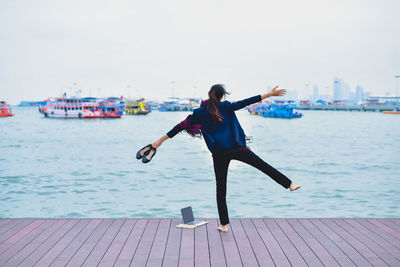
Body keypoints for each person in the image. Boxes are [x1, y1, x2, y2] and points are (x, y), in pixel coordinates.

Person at [151, 84, 301, 232]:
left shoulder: (199, 113)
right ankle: (290, 184)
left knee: (221, 189)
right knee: (263, 165)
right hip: (237, 148)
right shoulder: (226, 106)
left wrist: (159, 141)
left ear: (209, 93)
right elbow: (247, 101)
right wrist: (269, 94)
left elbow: (179, 127)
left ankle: (224, 225)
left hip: (219, 153)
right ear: (222, 97)